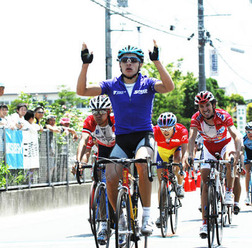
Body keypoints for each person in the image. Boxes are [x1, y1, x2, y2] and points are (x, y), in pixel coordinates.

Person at [76, 40, 174, 238]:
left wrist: (157, 61)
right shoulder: (112, 85)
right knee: (111, 177)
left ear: (139, 64)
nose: (129, 63)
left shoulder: (147, 83)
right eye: (125, 60)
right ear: (119, 64)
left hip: (143, 137)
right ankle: (120, 217)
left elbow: (168, 87)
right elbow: (82, 91)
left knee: (141, 163)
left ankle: (146, 215)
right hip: (121, 139)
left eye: (134, 60)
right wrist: (85, 64)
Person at [185, 91, 241, 239]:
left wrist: (237, 152)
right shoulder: (196, 118)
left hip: (225, 144)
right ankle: (204, 222)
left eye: (207, 105)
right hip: (208, 148)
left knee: (228, 159)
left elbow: (236, 135)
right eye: (201, 106)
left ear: (213, 105)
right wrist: (189, 154)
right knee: (205, 181)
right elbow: (191, 138)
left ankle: (229, 191)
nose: (205, 109)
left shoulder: (222, 115)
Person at [75, 95, 115, 245]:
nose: (97, 115)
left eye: (101, 112)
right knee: (102, 183)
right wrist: (78, 161)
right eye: (94, 112)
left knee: (122, 178)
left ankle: (125, 213)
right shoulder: (90, 121)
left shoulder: (115, 120)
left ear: (109, 111)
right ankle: (103, 223)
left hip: (118, 149)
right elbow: (84, 142)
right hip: (103, 151)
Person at [152, 112, 188, 228]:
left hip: (176, 150)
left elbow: (185, 151)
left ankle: (179, 185)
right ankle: (162, 213)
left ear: (174, 127)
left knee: (177, 163)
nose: (165, 131)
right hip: (162, 152)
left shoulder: (181, 131)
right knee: (162, 182)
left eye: (168, 128)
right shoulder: (155, 131)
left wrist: (182, 163)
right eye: (163, 128)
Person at [243, 121, 252, 205]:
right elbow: (240, 150)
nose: (250, 134)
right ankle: (247, 195)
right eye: (248, 131)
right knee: (248, 173)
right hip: (248, 156)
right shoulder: (244, 138)